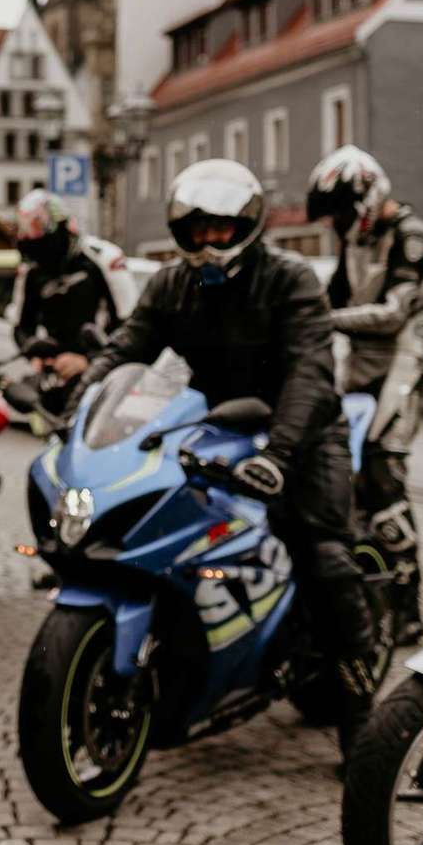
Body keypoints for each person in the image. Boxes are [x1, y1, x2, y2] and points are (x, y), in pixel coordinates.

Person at [73, 159, 377, 756]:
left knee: (324, 558)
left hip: (304, 434)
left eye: (222, 229)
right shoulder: (169, 285)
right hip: (220, 427)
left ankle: (360, 717)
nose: (210, 243)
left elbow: (310, 374)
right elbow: (127, 349)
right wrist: (82, 405)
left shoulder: (291, 280)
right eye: (198, 230)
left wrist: (283, 453)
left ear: (249, 225)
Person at [305, 146, 423, 646]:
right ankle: (370, 589)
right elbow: (332, 298)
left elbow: (391, 314)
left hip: (400, 371)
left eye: (342, 211)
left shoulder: (412, 238)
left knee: (385, 481)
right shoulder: (354, 239)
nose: (337, 223)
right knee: (348, 478)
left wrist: (325, 320)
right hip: (359, 371)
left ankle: (408, 604)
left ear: (367, 194)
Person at [9, 188, 139, 414]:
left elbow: (132, 324)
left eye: (42, 243)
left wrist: (89, 360)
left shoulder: (104, 257)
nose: (39, 256)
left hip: (107, 377)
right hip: (56, 376)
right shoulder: (31, 271)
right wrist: (37, 355)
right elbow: (21, 325)